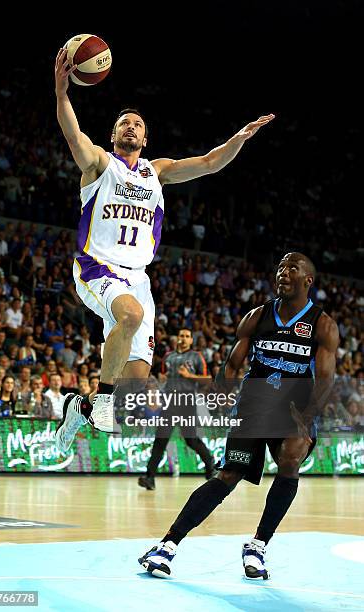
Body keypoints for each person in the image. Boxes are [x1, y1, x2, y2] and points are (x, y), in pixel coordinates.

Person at [53, 46, 275, 452]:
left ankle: (80, 406)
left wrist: (239, 139)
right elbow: (73, 134)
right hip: (97, 267)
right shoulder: (100, 165)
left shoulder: (158, 171)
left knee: (134, 382)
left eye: (137, 124)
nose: (131, 127)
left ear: (146, 136)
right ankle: (100, 401)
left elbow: (209, 163)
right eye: (124, 123)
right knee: (131, 316)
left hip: (137, 279)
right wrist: (62, 93)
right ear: (114, 134)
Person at [138, 252, 339, 580]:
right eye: (280, 267)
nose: (283, 273)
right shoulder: (257, 316)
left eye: (292, 268)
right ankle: (166, 546)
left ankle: (257, 546)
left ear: (308, 280)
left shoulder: (322, 324)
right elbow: (232, 365)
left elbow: (327, 378)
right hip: (253, 404)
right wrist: (219, 395)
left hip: (293, 406)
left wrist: (309, 414)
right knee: (228, 475)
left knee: (292, 456)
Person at [138, 328, 215, 490]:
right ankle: (149, 477)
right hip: (170, 402)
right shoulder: (168, 357)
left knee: (191, 439)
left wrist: (189, 376)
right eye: (181, 336)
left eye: (188, 336)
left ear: (191, 341)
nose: (184, 339)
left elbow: (207, 379)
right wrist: (163, 381)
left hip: (187, 402)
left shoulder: (196, 356)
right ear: (177, 338)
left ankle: (210, 467)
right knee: (160, 439)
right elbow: (163, 377)